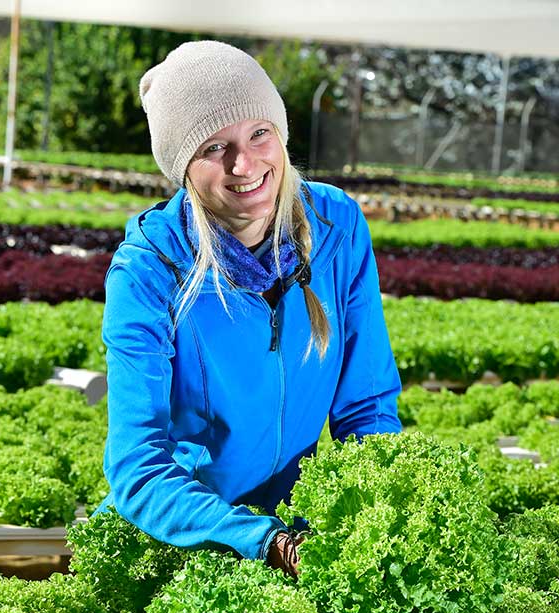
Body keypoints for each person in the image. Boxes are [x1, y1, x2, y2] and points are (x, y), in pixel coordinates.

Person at [96, 40, 402, 577]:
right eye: (214, 148)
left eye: (259, 133)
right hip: (185, 543)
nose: (245, 164)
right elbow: (139, 471)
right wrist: (264, 541)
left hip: (300, 538)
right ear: (182, 168)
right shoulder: (148, 271)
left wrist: (377, 516)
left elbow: (368, 408)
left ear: (280, 132)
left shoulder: (337, 227)